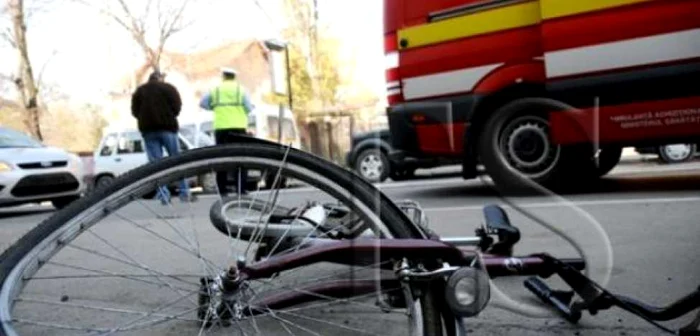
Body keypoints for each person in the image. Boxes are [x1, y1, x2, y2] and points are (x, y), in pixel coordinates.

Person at [131, 70, 196, 204]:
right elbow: (177, 107)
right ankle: (184, 192)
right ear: (160, 78)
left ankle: (164, 196)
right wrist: (168, 116)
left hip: (148, 130)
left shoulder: (140, 91)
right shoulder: (168, 89)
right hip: (167, 128)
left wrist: (145, 119)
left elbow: (134, 111)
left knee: (156, 165)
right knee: (176, 161)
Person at [199, 67, 253, 196]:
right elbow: (249, 107)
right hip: (239, 127)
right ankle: (241, 188)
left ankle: (222, 189)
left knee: (222, 157)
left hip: (221, 127)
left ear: (223, 76)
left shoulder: (215, 90)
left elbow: (202, 103)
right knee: (241, 157)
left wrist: (214, 108)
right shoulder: (241, 90)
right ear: (234, 77)